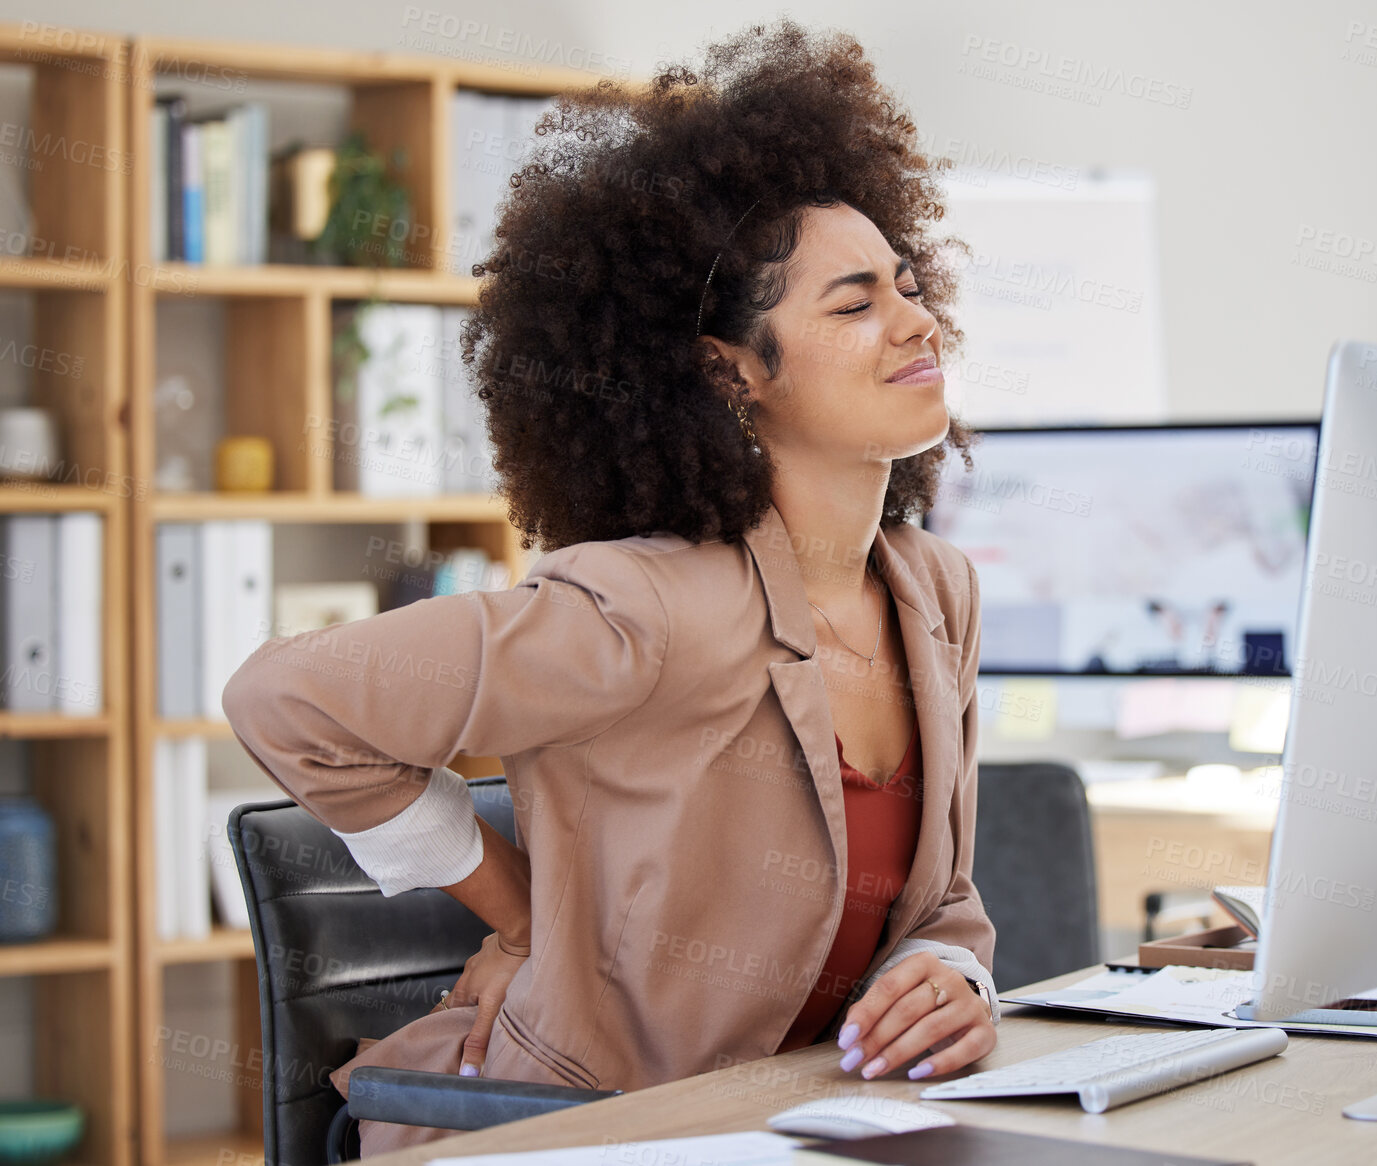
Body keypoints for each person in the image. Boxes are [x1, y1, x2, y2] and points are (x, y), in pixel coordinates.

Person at [221, 17, 1000, 1156]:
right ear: (726, 371)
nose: (916, 318)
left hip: (795, 1125)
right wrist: (526, 909)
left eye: (907, 282)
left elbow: (941, 899)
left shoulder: (936, 590)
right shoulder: (647, 606)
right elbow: (285, 697)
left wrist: (949, 968)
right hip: (573, 1127)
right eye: (853, 302)